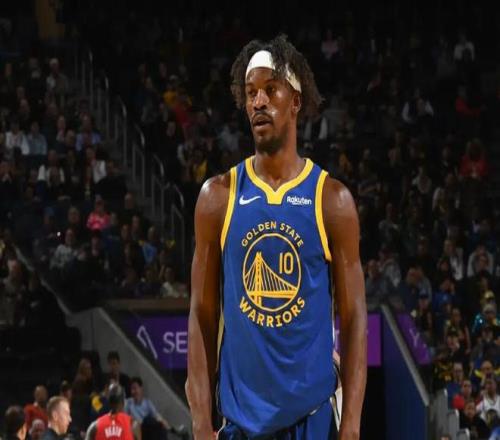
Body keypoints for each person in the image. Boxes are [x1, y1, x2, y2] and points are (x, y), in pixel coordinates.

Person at [186, 35, 367, 439]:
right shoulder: (217, 198)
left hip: (312, 418)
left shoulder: (331, 200)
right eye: (251, 93)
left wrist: (352, 426)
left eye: (271, 89)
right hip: (241, 423)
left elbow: (355, 318)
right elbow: (201, 315)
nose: (259, 102)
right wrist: (200, 422)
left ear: (296, 101)